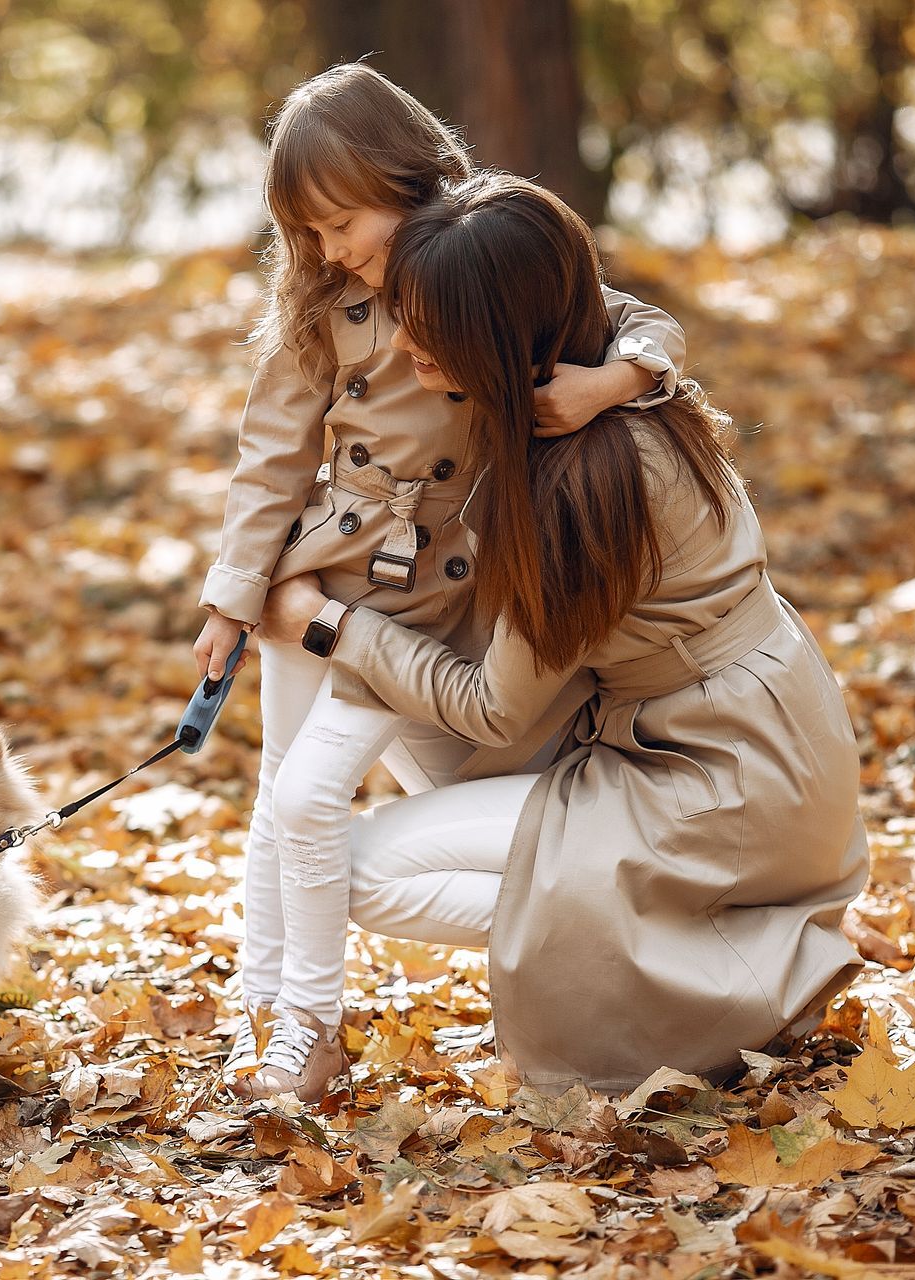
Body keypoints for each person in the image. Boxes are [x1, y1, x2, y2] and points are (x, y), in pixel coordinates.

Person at [255, 170, 869, 1094]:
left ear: (500, 332)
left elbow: (491, 710)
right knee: (400, 811)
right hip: (762, 730)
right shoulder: (608, 394)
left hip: (715, 776)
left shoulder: (583, 481)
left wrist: (328, 624)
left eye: (431, 323)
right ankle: (714, 933)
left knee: (360, 872)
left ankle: (734, 960)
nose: (405, 342)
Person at [192, 63, 692, 1102]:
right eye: (310, 233)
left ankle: (316, 1024)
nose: (330, 252)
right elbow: (271, 453)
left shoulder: (477, 254)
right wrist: (234, 591)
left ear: (402, 172)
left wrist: (611, 382)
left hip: (441, 592)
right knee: (283, 794)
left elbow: (639, 321)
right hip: (321, 575)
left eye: (342, 222)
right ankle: (274, 1015)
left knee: (315, 796)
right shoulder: (319, 306)